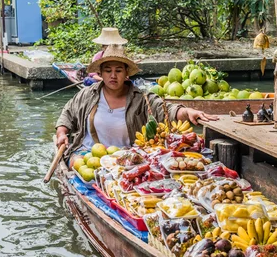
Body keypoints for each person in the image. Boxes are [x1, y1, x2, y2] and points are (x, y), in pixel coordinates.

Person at [55, 45, 218, 166]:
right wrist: (62, 133)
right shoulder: (87, 94)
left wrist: (187, 112)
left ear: (126, 73)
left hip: (126, 157)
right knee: (78, 165)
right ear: (100, 73)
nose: (113, 76)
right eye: (108, 71)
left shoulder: (140, 98)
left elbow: (164, 108)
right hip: (87, 154)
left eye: (118, 71)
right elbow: (67, 114)